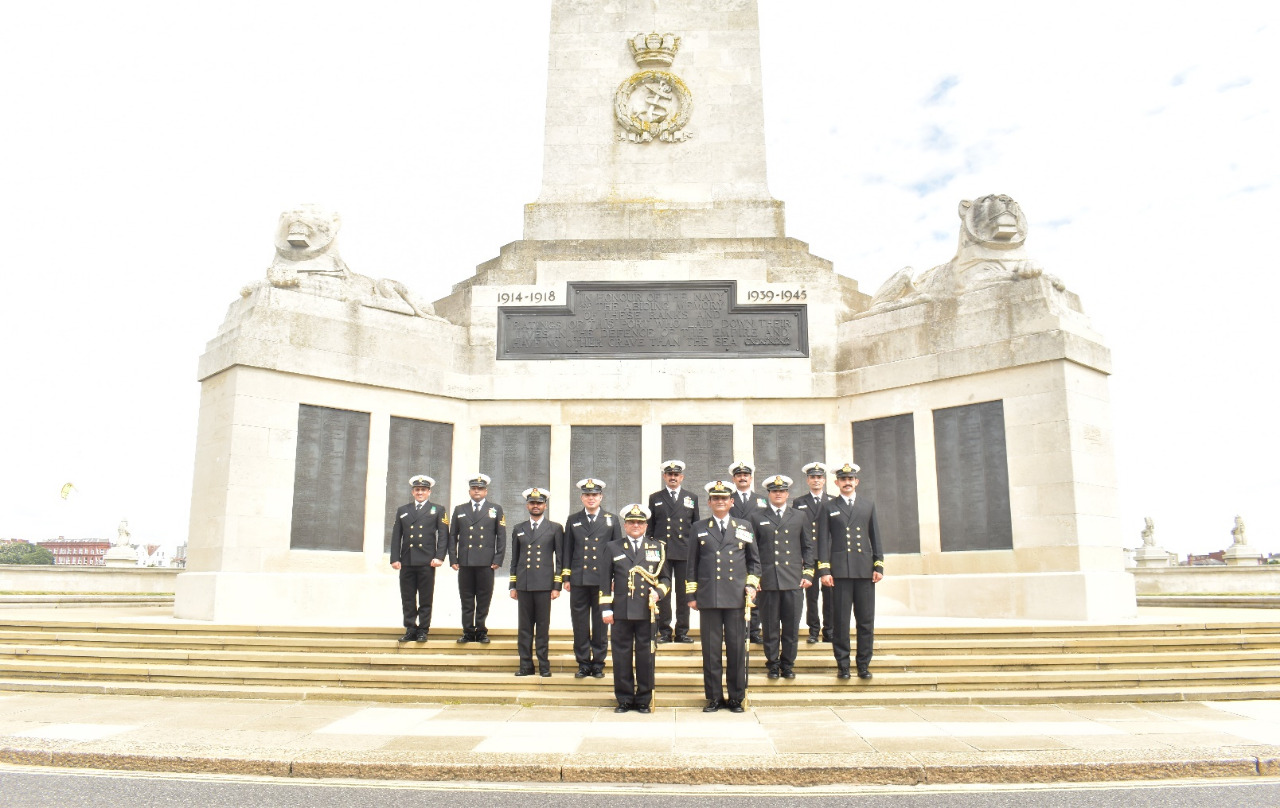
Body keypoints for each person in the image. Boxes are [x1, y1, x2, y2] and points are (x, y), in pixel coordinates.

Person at [687, 480, 760, 713]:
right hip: (709, 598)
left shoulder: (744, 527)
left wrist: (751, 586)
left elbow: (754, 562)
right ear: (709, 502)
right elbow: (692, 564)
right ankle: (714, 697)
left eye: (724, 498)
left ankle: (736, 697)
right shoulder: (698, 527)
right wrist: (691, 594)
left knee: (737, 649)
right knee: (711, 650)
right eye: (715, 498)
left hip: (736, 598)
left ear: (732, 502)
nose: (720, 502)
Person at [601, 503, 670, 713]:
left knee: (645, 656)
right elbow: (604, 580)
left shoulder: (657, 547)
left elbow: (666, 578)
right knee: (621, 656)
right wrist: (606, 608)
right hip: (621, 611)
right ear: (625, 525)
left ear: (646, 525)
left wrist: (658, 592)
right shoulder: (613, 547)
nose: (636, 525)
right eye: (631, 522)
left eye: (640, 522)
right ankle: (623, 698)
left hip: (646, 611)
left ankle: (643, 699)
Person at [818, 463, 883, 680]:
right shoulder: (828, 507)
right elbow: (823, 541)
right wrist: (824, 569)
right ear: (836, 482)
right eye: (842, 479)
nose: (847, 482)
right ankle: (843, 665)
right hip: (840, 573)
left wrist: (878, 564)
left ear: (856, 481)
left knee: (865, 621)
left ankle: (863, 664)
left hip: (864, 571)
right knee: (841, 622)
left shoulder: (867, 505)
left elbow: (875, 536)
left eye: (850, 479)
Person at [749, 475, 816, 679]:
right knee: (769, 627)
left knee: (791, 627)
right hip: (768, 581)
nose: (778, 494)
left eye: (782, 491)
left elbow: (808, 547)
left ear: (787, 494)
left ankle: (788, 664)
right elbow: (752, 551)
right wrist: (754, 578)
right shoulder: (756, 517)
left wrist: (808, 572)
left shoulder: (799, 516)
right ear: (769, 494)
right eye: (774, 491)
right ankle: (772, 664)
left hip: (793, 580)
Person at [562, 478, 622, 679]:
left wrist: (616, 578)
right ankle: (582, 663)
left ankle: (598, 663)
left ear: (601, 497)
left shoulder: (611, 520)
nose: (591, 498)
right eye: (587, 495)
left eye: (594, 495)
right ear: (582, 497)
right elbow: (567, 550)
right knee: (579, 623)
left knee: (600, 623)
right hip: (579, 579)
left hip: (601, 581)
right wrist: (566, 577)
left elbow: (617, 553)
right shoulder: (573, 520)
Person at [508, 487, 564, 677]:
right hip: (523, 585)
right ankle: (525, 665)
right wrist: (513, 585)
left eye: (539, 503)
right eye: (532, 503)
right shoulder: (519, 528)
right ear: (527, 506)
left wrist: (557, 586)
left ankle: (544, 665)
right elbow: (514, 560)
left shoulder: (555, 528)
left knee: (542, 628)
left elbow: (560, 560)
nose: (536, 506)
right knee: (524, 628)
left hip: (544, 586)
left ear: (545, 506)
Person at [389, 474, 448, 642]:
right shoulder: (403, 510)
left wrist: (439, 557)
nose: (420, 492)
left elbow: (443, 535)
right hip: (407, 560)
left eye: (423, 490)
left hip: (427, 561)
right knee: (407, 596)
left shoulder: (437, 509)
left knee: (425, 597)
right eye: (417, 490)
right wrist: (395, 558)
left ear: (429, 492)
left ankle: (423, 629)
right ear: (413, 492)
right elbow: (396, 536)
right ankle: (410, 628)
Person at [449, 473, 506, 644]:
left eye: (480, 489)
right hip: (465, 562)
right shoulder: (460, 510)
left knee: (483, 598)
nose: (477, 491)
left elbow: (501, 536)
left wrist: (498, 558)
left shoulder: (495, 509)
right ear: (469, 491)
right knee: (466, 598)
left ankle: (481, 630)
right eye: (474, 488)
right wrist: (453, 558)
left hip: (486, 562)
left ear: (486, 491)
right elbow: (453, 536)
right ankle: (467, 631)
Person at [647, 460, 699, 643]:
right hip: (662, 554)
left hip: (684, 551)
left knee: (684, 593)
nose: (673, 478)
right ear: (664, 477)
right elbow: (651, 529)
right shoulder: (655, 498)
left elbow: (695, 528)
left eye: (676, 475)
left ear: (682, 477)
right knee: (663, 592)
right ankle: (665, 631)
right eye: (669, 475)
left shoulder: (691, 498)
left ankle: (682, 631)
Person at [794, 461, 834, 644]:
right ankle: (813, 630)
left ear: (824, 480)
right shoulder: (799, 502)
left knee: (830, 596)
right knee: (811, 596)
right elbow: (796, 531)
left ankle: (829, 630)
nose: (816, 480)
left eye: (819, 477)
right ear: (807, 480)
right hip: (809, 557)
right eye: (813, 477)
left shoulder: (833, 501)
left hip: (829, 557)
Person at [728, 460, 766, 644]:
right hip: (733, 552)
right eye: (739, 475)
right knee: (735, 592)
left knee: (755, 590)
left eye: (745, 475)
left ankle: (754, 630)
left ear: (751, 478)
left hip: (756, 551)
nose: (742, 478)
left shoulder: (762, 500)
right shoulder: (727, 499)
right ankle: (737, 629)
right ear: (734, 478)